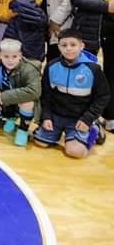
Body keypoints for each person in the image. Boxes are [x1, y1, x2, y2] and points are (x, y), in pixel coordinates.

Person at [33, 29, 108, 157]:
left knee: (75, 152)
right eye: (64, 45)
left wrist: (88, 118)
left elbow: (103, 96)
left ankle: (94, 129)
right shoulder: (51, 66)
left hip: (79, 118)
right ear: (58, 47)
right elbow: (46, 95)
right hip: (56, 116)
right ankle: (61, 133)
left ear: (82, 46)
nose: (68, 49)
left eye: (73, 45)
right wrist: (46, 117)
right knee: (40, 143)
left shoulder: (93, 69)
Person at [71, 0, 114, 132]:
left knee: (112, 74)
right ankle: (87, 116)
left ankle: (110, 115)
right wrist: (106, 7)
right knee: (87, 73)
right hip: (90, 27)